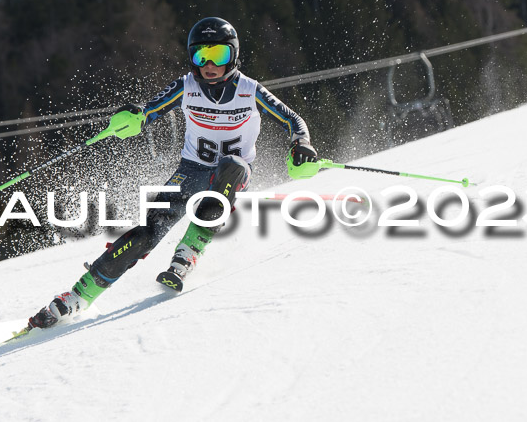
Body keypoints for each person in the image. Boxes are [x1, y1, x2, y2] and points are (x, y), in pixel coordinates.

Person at [29, 17, 319, 328]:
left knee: (230, 168)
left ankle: (187, 253)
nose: (209, 64)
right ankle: (77, 297)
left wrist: (301, 144)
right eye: (200, 56)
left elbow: (293, 119)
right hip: (190, 171)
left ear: (232, 55)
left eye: (218, 55)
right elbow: (150, 111)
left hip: (233, 175)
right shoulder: (187, 86)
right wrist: (133, 118)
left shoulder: (249, 90)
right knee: (145, 233)